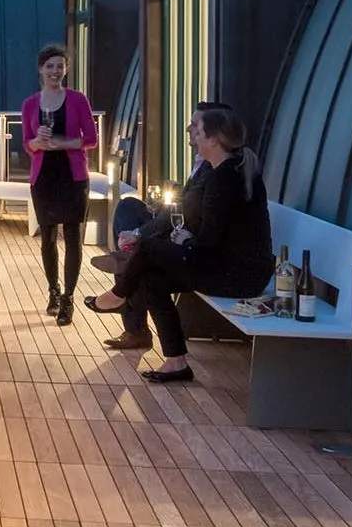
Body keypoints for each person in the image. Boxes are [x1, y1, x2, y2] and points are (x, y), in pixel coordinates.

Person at [83, 102, 273, 381]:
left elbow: (209, 239)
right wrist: (182, 238)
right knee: (149, 278)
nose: (192, 133)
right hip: (221, 264)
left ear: (214, 138)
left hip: (235, 274)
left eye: (198, 129)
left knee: (148, 248)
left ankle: (118, 294)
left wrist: (183, 240)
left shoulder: (225, 178)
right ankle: (176, 361)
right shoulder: (223, 170)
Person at [21, 44, 97, 325]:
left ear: (66, 70)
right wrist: (37, 143)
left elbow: (90, 139)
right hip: (43, 178)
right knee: (48, 237)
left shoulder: (78, 100)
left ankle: (68, 299)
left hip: (73, 177)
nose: (55, 71)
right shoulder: (30, 103)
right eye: (50, 66)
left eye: (60, 66)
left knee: (73, 236)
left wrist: (60, 143)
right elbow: (27, 144)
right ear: (40, 70)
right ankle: (53, 290)